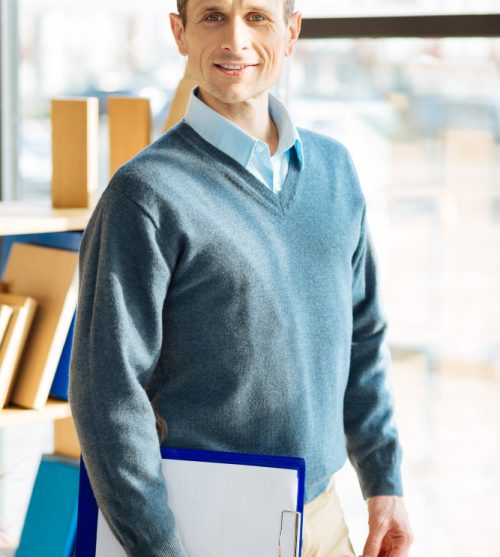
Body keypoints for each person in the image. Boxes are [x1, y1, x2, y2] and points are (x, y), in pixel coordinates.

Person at [69, 0, 415, 556]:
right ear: (179, 33)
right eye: (212, 17)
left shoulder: (335, 169)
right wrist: (159, 547)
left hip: (324, 517)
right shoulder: (144, 195)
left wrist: (384, 482)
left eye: (257, 16)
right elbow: (105, 395)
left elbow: (363, 334)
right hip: (202, 524)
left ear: (291, 32)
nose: (235, 40)